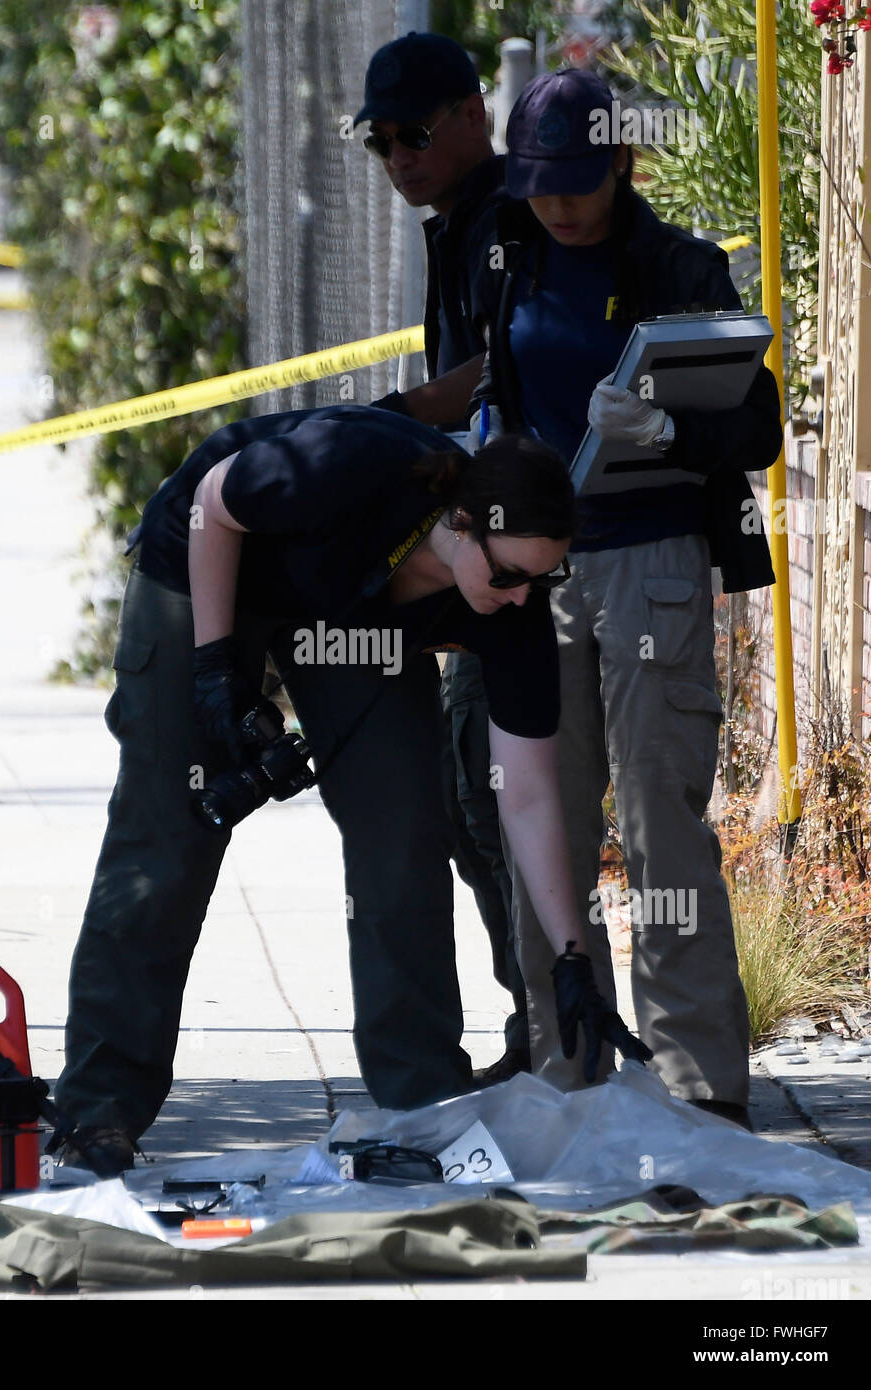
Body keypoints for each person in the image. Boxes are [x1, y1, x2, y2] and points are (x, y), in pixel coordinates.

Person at [51, 403, 650, 1176]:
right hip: (210, 566)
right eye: (507, 575)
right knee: (165, 837)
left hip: (355, 621)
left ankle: (422, 1103)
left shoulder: (512, 607)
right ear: (460, 522)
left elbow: (529, 795)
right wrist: (213, 668)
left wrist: (572, 959)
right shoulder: (352, 461)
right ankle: (96, 1111)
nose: (519, 599)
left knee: (402, 828)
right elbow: (213, 507)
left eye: (543, 578)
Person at [471, 68, 784, 1128]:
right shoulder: (505, 254)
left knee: (662, 829)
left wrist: (672, 434)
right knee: (544, 830)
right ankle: (566, 1071)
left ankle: (700, 1086)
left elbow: (758, 429)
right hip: (529, 576)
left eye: (577, 182)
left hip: (649, 561)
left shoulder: (680, 266)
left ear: (623, 163)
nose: (558, 203)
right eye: (540, 183)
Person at [356, 30, 532, 1085]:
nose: (396, 158)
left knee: (492, 789)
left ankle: (553, 1028)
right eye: (379, 141)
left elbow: (505, 365)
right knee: (471, 798)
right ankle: (539, 1022)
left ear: (472, 114)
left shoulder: (506, 219)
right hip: (471, 552)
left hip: (516, 557)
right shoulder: (454, 221)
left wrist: (402, 418)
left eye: (414, 133)